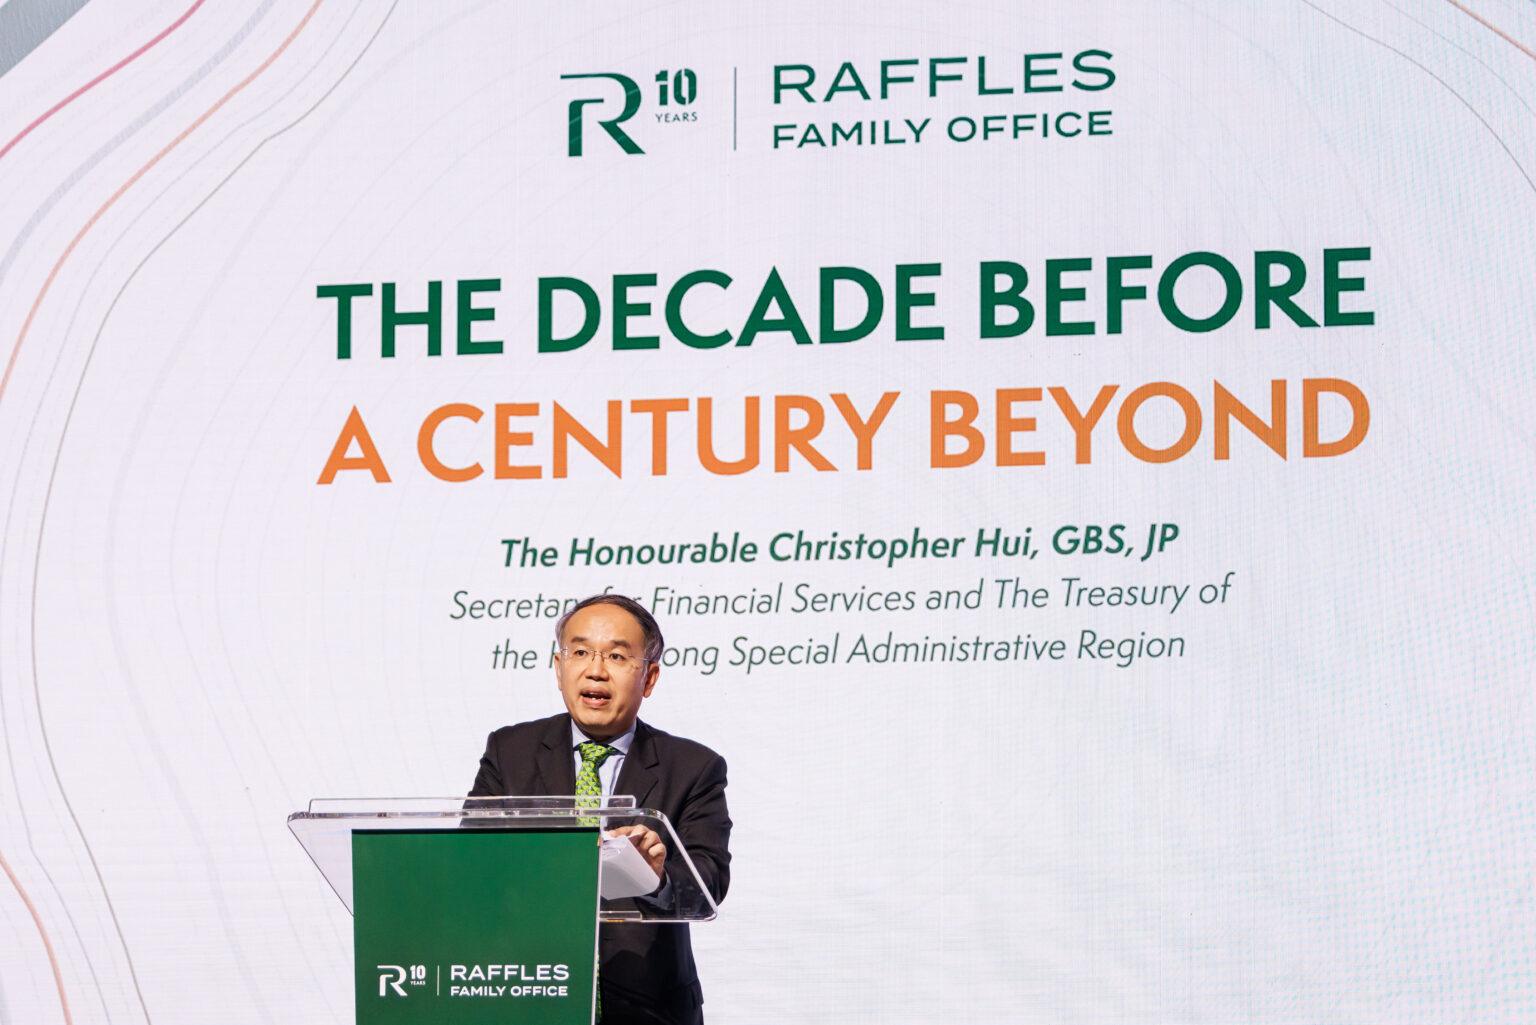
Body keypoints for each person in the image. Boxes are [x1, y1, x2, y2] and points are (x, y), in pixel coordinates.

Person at [468, 593, 731, 1025]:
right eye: (581, 652)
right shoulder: (509, 750)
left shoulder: (694, 767)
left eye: (616, 656)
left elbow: (710, 882)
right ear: (559, 667)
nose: (595, 669)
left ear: (648, 678)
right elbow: (471, 859)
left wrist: (657, 875)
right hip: (528, 993)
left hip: (648, 1008)